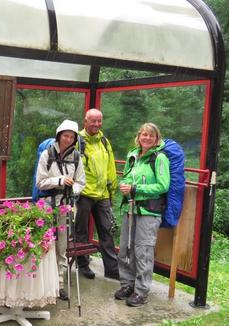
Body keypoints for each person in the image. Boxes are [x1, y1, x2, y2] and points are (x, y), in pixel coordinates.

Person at [114, 122, 170, 307]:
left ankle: (141, 291)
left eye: (151, 135)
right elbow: (128, 178)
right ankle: (127, 284)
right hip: (130, 208)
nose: (146, 138)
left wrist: (136, 188)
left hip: (149, 211)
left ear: (156, 139)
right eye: (144, 134)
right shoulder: (133, 155)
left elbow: (163, 186)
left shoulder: (159, 158)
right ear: (138, 137)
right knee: (125, 248)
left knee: (143, 251)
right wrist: (124, 185)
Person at [35, 119, 86, 301]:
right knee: (45, 243)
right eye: (65, 135)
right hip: (47, 204)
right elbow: (40, 182)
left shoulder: (76, 157)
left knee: (62, 245)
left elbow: (81, 182)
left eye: (71, 137)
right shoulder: (47, 155)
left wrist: (72, 189)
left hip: (66, 204)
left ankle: (60, 284)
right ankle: (43, 283)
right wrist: (58, 181)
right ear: (59, 135)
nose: (68, 139)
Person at [74, 109, 120, 280]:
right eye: (93, 121)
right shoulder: (77, 140)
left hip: (102, 195)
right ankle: (83, 264)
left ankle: (112, 269)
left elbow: (110, 167)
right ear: (85, 121)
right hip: (84, 194)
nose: (96, 124)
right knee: (82, 231)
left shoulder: (104, 141)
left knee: (106, 231)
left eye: (99, 121)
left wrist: (111, 191)